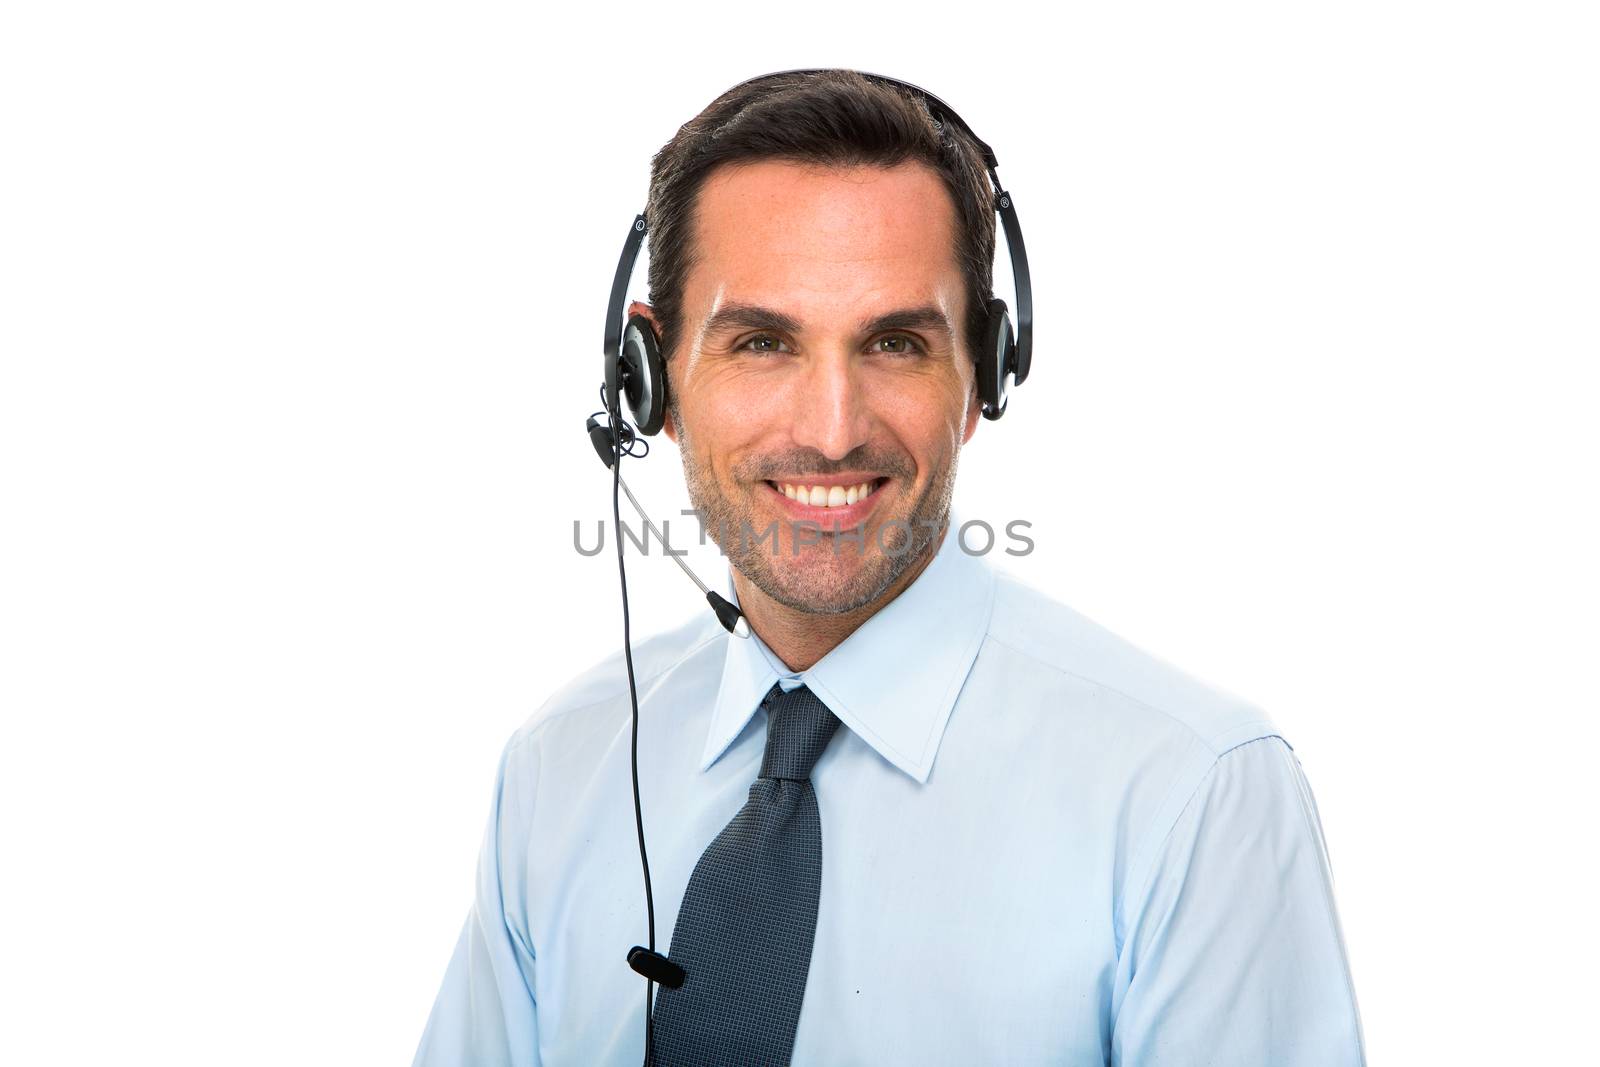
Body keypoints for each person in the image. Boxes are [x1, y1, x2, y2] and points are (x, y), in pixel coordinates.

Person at [412, 69, 1366, 1066]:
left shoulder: (1190, 794)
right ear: (652, 380)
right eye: (761, 342)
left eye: (897, 343)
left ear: (980, 378)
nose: (832, 432)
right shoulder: (559, 767)